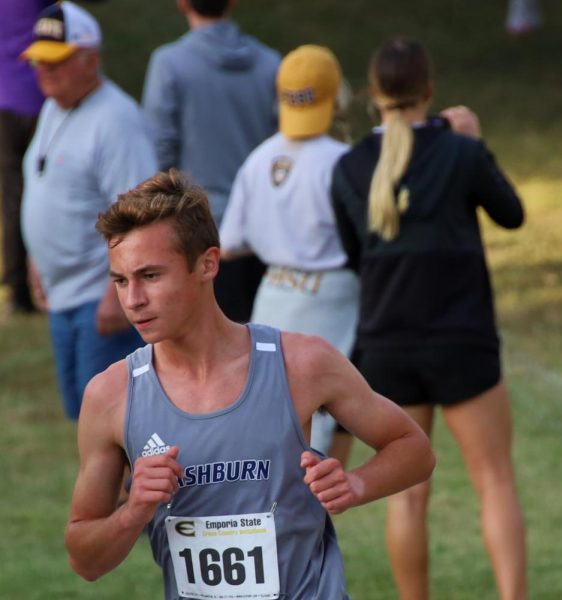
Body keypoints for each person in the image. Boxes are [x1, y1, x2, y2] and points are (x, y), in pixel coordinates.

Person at [65, 169, 435, 599]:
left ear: (207, 264)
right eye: (121, 280)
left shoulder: (302, 363)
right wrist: (133, 513)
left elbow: (414, 449)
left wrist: (356, 485)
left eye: (150, 276)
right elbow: (84, 561)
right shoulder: (112, 395)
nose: (133, 300)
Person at [330, 38, 528, 600]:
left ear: (373, 95)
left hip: (387, 342)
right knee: (494, 481)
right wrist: (475, 144)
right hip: (462, 338)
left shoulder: (348, 166)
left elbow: (352, 257)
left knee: (407, 496)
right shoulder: (460, 152)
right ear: (430, 90)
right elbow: (511, 214)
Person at [220, 45, 358, 461]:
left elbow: (229, 243)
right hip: (330, 298)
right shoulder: (343, 161)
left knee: (270, 418)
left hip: (274, 293)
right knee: (318, 428)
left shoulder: (259, 158)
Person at [20, 1, 155, 420]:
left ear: (91, 60)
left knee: (115, 423)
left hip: (99, 299)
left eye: (57, 62)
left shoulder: (116, 120)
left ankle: (131, 490)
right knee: (84, 418)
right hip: (63, 295)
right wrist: (35, 259)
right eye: (41, 61)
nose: (44, 71)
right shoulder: (52, 107)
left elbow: (140, 216)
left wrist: (117, 293)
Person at [142, 0, 280, 323]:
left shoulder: (169, 64)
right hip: (264, 230)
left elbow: (160, 153)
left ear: (182, 3)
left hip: (203, 232)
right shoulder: (271, 63)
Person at [0, 0, 54, 314]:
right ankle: (42, 282)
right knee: (44, 192)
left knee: (12, 197)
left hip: (5, 100)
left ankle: (17, 289)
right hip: (38, 97)